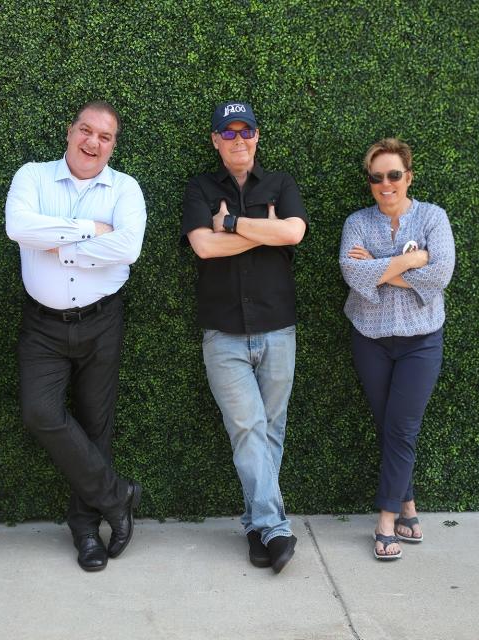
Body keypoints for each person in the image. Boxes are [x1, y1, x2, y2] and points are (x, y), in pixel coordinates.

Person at [5, 101, 147, 572]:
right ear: (70, 132)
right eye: (86, 131)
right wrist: (89, 232)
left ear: (113, 145)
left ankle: (86, 533)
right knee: (39, 412)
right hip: (43, 325)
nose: (93, 143)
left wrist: (58, 245)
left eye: (104, 137)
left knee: (95, 425)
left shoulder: (125, 188)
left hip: (102, 320)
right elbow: (19, 228)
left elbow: (127, 248)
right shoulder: (33, 177)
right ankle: (117, 494)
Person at [181, 101, 307, 573]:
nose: (238, 141)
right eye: (228, 134)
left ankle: (256, 527)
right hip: (224, 335)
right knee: (249, 428)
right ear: (216, 140)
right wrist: (265, 230)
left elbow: (294, 233)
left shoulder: (281, 183)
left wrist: (233, 223)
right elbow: (204, 246)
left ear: (257, 136)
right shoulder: (199, 187)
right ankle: (276, 529)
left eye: (246, 132)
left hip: (278, 328)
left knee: (270, 430)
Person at [338, 138, 455, 560]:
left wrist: (379, 266)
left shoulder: (433, 217)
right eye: (377, 177)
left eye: (393, 175)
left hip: (421, 341)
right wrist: (409, 261)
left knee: (403, 427)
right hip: (370, 337)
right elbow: (352, 273)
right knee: (389, 425)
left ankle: (387, 520)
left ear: (408, 176)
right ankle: (407, 504)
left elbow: (441, 273)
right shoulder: (357, 221)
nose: (385, 184)